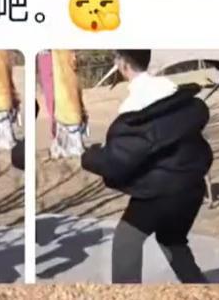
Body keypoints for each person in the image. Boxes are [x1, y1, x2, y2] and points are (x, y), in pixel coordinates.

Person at [81, 50, 212, 284]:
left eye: (116, 59)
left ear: (123, 64)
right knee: (172, 240)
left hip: (159, 192)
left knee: (126, 242)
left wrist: (89, 157)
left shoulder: (134, 110)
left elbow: (117, 162)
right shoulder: (175, 93)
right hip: (192, 186)